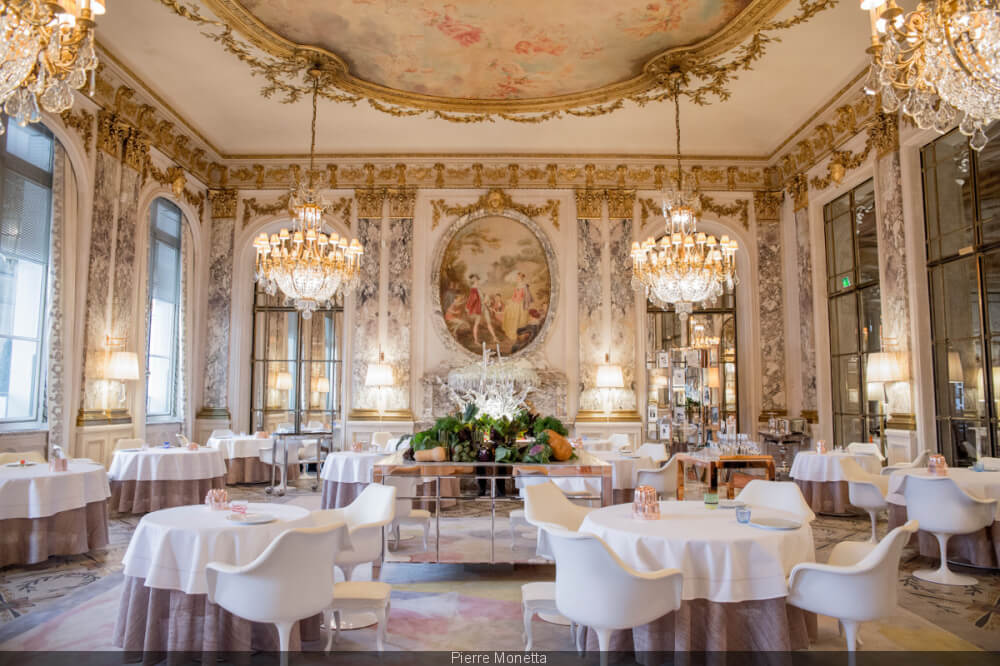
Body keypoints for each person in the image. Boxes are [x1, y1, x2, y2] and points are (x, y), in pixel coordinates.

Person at [466, 274, 498, 345]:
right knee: (477, 323)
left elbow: (481, 297)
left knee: (489, 322)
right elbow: (472, 300)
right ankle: (476, 340)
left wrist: (486, 298)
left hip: (484, 307)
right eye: (476, 279)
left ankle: (494, 337)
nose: (477, 281)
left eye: (477, 279)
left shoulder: (478, 288)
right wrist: (468, 307)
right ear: (474, 280)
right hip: (479, 308)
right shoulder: (473, 289)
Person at [502, 271, 532, 341]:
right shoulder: (517, 285)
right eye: (517, 277)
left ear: (521, 278)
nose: (517, 279)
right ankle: (510, 331)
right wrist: (511, 300)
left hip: (520, 303)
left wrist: (518, 300)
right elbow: (514, 295)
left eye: (518, 277)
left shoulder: (524, 286)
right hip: (515, 302)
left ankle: (517, 332)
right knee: (508, 309)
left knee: (517, 317)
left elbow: (525, 296)